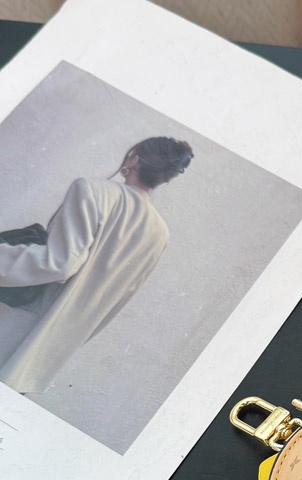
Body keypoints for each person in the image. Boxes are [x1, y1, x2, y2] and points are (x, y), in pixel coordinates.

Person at [0, 136, 193, 394]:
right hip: (49, 350)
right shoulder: (159, 233)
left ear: (133, 158)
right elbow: (116, 301)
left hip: (14, 325)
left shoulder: (92, 190)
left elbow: (58, 263)